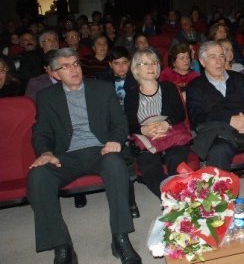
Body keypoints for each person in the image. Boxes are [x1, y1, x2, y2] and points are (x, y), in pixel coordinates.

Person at [28, 48, 141, 264]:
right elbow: (41, 132)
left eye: (76, 63)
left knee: (116, 166)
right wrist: (46, 152)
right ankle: (62, 248)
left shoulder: (102, 88)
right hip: (66, 155)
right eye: (66, 66)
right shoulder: (46, 97)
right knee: (38, 176)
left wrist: (116, 140)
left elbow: (120, 122)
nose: (74, 69)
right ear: (54, 74)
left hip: (101, 150)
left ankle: (120, 238)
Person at [186, 41, 244, 193]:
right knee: (219, 150)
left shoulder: (237, 78)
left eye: (221, 56)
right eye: (213, 57)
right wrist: (230, 119)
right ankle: (222, 199)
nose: (219, 61)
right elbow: (197, 117)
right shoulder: (195, 86)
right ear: (202, 62)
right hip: (219, 134)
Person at [124, 48, 190, 199]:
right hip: (148, 141)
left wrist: (166, 123)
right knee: (149, 167)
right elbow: (129, 123)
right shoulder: (132, 95)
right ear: (136, 69)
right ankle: (170, 200)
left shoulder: (168, 87)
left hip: (173, 136)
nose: (151, 67)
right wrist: (144, 129)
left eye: (154, 63)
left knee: (176, 161)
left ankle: (182, 197)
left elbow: (180, 113)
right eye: (145, 64)